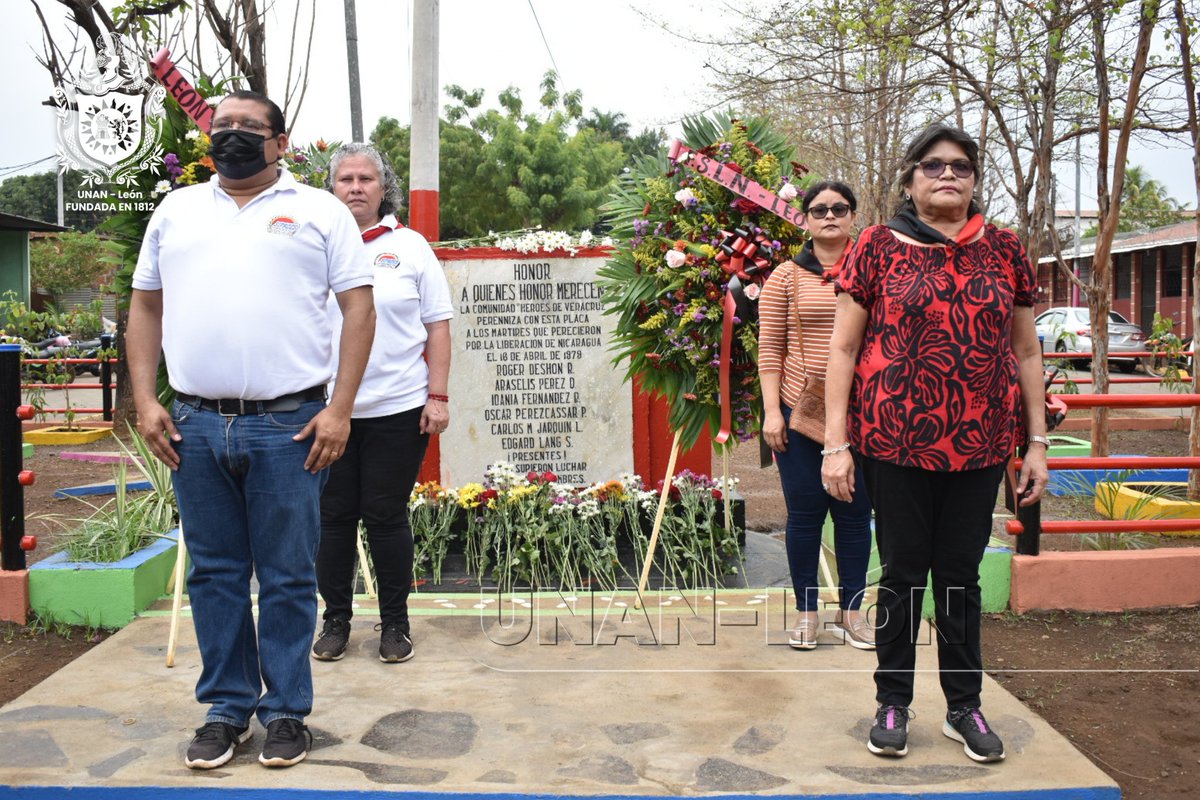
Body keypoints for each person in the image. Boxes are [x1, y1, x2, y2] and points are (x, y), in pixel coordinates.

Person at [127, 91, 376, 770]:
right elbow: (145, 305)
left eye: (248, 129)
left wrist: (341, 407)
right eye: (222, 127)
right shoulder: (176, 211)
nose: (231, 137)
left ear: (281, 142)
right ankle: (228, 709)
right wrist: (146, 400)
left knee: (290, 576)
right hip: (195, 426)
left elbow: (359, 308)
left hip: (289, 425)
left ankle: (287, 711)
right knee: (214, 574)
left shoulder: (320, 212)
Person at [821, 124, 1049, 763]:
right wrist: (835, 445)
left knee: (959, 576)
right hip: (892, 443)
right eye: (932, 166)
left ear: (975, 180)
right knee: (900, 574)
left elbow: (1026, 348)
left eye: (961, 167)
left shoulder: (1004, 249)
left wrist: (1035, 444)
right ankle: (892, 702)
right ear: (910, 180)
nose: (947, 175)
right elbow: (843, 349)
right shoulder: (876, 247)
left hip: (979, 445)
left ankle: (963, 707)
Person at [311, 143, 453, 664]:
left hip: (397, 407)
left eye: (365, 179)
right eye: (345, 178)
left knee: (386, 516)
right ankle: (335, 622)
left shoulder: (411, 247)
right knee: (334, 518)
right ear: (331, 187)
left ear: (382, 187)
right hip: (327, 412)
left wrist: (437, 396)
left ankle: (395, 624)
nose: (354, 187)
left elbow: (437, 327)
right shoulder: (315, 245)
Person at [758, 181, 874, 651]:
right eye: (819, 209)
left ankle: (852, 613)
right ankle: (808, 614)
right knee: (805, 516)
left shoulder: (872, 269)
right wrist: (771, 412)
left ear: (852, 216)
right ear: (805, 218)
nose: (830, 216)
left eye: (839, 208)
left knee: (854, 514)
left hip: (862, 413)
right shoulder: (786, 276)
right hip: (797, 409)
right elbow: (769, 347)